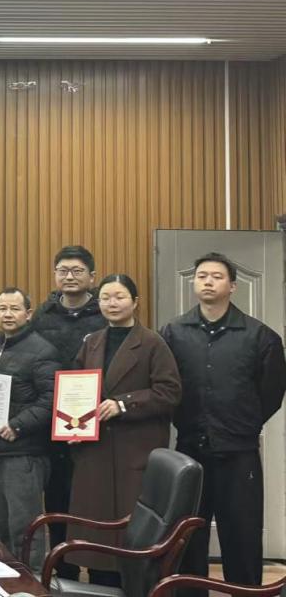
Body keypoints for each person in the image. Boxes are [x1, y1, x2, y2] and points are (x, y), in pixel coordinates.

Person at [161, 252, 286, 594]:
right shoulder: (172, 333)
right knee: (187, 534)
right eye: (202, 276)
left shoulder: (261, 336)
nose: (208, 282)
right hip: (189, 450)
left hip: (239, 452)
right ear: (193, 282)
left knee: (242, 535)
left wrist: (241, 423)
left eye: (216, 277)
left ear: (232, 286)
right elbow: (166, 387)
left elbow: (271, 394)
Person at [66, 274, 181, 586]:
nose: (112, 303)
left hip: (134, 452)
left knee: (132, 541)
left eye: (119, 297)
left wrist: (124, 404)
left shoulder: (153, 342)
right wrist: (71, 423)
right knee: (96, 538)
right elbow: (76, 389)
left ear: (135, 302)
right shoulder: (91, 341)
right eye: (105, 298)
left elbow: (169, 392)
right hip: (94, 452)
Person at [0, 287, 60, 573]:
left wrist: (18, 425)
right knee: (0, 525)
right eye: (2, 308)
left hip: (23, 453)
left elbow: (51, 400)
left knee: (25, 528)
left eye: (15, 309)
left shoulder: (43, 350)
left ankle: (33, 583)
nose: (8, 314)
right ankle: (8, 580)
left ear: (28, 313)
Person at [31, 245, 105, 577]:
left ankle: (100, 574)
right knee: (57, 500)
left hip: (96, 425)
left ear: (92, 276)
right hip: (51, 424)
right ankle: (63, 573)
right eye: (63, 270)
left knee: (94, 503)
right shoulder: (42, 316)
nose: (69, 277)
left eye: (77, 271)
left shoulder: (104, 314)